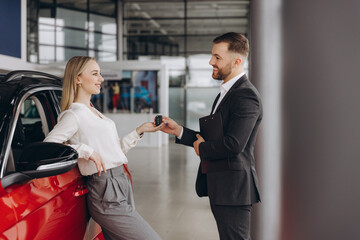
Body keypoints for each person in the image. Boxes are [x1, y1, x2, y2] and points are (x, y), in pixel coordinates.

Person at [44, 56, 163, 240]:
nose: (101, 79)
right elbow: (49, 146)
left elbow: (114, 151)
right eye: (95, 74)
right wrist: (86, 151)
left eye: (100, 73)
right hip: (105, 189)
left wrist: (139, 131)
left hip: (120, 183)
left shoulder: (94, 111)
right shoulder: (73, 114)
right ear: (78, 79)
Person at [161, 32, 263, 240]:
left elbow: (234, 144)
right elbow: (213, 138)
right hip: (223, 185)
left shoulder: (246, 95)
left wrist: (202, 148)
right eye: (212, 56)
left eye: (217, 57)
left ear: (236, 61)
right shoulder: (226, 93)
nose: (211, 62)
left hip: (233, 189)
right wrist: (178, 130)